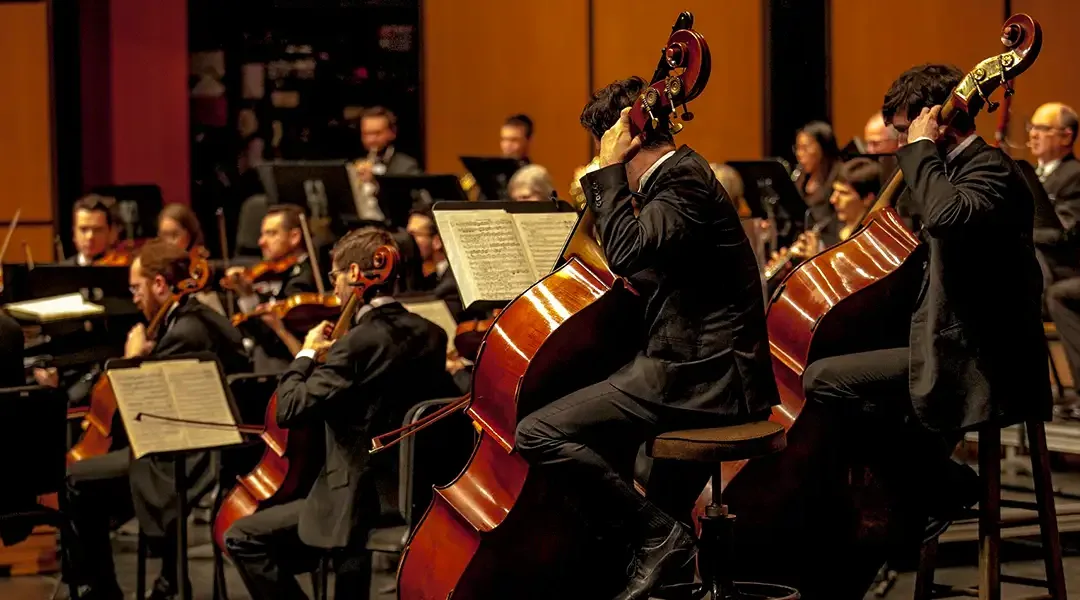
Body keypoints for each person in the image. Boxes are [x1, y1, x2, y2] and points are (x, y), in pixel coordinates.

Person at [514, 76, 779, 600]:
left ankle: (659, 537)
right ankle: (661, 544)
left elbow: (629, 252)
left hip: (704, 376)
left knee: (537, 432)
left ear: (625, 137)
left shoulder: (681, 179)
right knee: (648, 487)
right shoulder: (679, 180)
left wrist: (607, 170)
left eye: (604, 144)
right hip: (694, 367)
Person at [802, 64, 1050, 559]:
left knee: (825, 380)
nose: (897, 144)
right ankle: (914, 492)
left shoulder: (992, 170)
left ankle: (945, 483)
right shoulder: (946, 172)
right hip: (948, 341)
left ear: (932, 120)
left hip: (985, 360)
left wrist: (919, 150)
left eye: (902, 130)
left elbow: (945, 217)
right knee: (844, 378)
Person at [223, 227, 452, 600]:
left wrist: (307, 353)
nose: (333, 288)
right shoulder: (431, 334)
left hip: (354, 502)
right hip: (413, 492)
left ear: (355, 275)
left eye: (335, 276)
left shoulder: (356, 344)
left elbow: (292, 407)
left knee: (242, 537)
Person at [63, 239, 249, 600]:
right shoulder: (195, 317)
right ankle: (163, 578)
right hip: (193, 443)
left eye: (137, 288)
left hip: (187, 454)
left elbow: (145, 406)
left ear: (160, 285)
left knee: (74, 480)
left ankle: (99, 590)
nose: (134, 298)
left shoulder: (185, 331)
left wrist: (131, 360)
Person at [223, 204, 320, 369]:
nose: (261, 242)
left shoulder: (302, 282)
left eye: (271, 233)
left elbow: (275, 345)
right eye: (262, 234)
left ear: (295, 236)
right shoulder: (277, 272)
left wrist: (249, 298)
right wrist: (247, 293)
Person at [157, 203, 226, 316]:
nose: (168, 242)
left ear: (190, 234)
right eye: (164, 235)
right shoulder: (158, 268)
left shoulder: (199, 267)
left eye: (174, 235)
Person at [63, 194, 120, 265]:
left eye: (97, 230)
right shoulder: (58, 273)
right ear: (74, 233)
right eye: (83, 229)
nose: (90, 236)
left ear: (111, 232)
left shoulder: (127, 270)